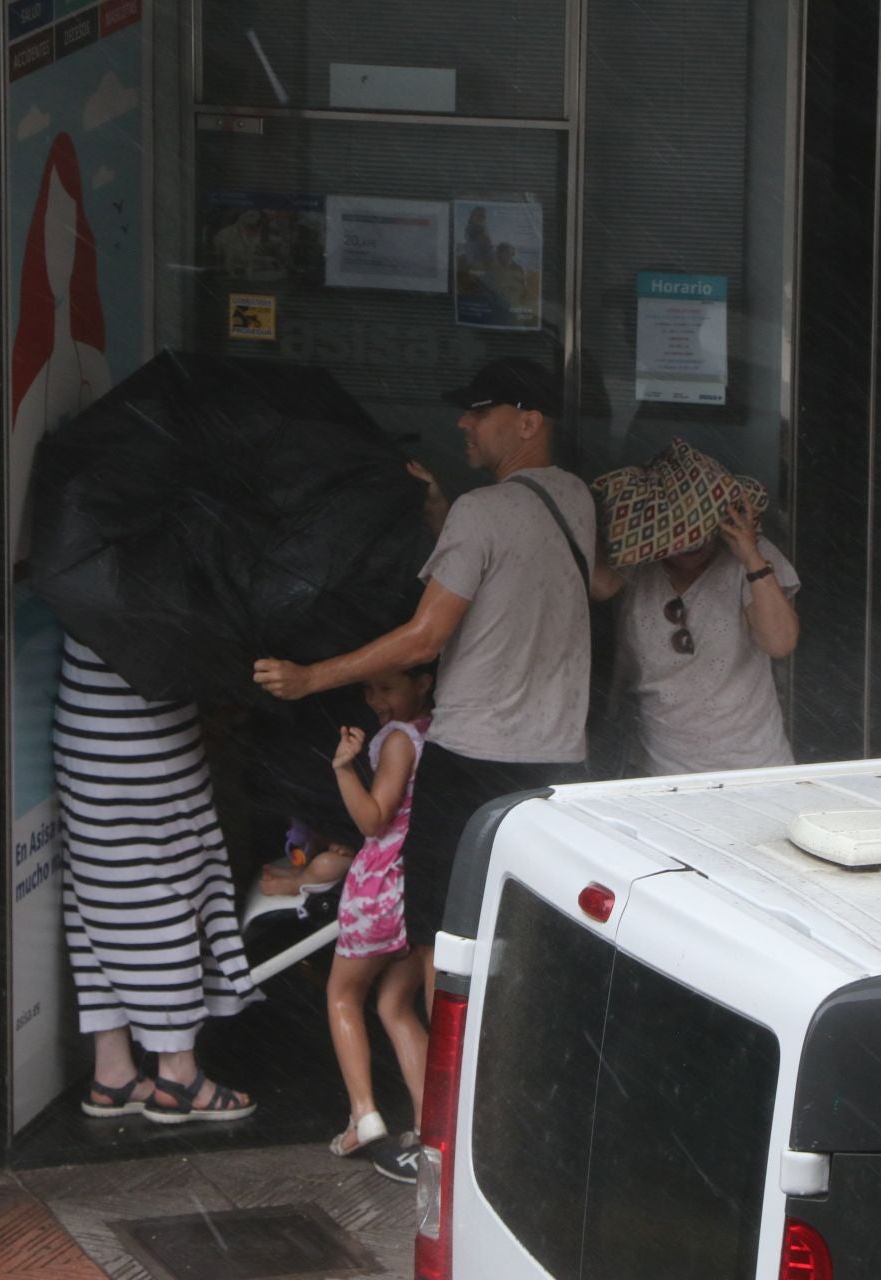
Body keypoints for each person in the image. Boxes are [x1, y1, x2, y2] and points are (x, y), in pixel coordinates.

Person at [253, 356, 593, 1181]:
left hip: (474, 764)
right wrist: (445, 512)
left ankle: (460, 1130)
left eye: (477, 412)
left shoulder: (484, 514)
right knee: (541, 945)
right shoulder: (575, 500)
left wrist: (310, 677)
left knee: (454, 949)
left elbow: (422, 639)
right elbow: (529, 582)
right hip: (560, 762)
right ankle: (537, 1114)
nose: (462, 426)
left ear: (527, 418)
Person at [57, 636, 260, 1124]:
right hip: (145, 735)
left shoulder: (81, 576)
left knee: (99, 893)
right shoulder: (148, 584)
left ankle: (114, 1071)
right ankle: (177, 1074)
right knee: (165, 894)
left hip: (82, 722)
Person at [589, 440, 800, 775]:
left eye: (699, 529)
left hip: (754, 766)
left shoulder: (751, 558)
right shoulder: (636, 564)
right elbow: (600, 586)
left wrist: (751, 558)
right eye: (677, 531)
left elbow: (780, 643)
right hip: (661, 769)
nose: (690, 542)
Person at [322, 667, 435, 1159]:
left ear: (424, 682)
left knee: (343, 996)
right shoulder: (439, 731)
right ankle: (430, 1120)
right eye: (367, 688)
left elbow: (374, 817)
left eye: (387, 685)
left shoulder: (397, 741)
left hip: (378, 886)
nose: (375, 699)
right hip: (413, 887)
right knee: (394, 1002)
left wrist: (344, 767)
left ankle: (363, 1114)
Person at [9, 132, 114, 567]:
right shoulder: (41, 357)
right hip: (57, 547)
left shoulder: (84, 354)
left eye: (66, 230)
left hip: (62, 547)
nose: (60, 248)